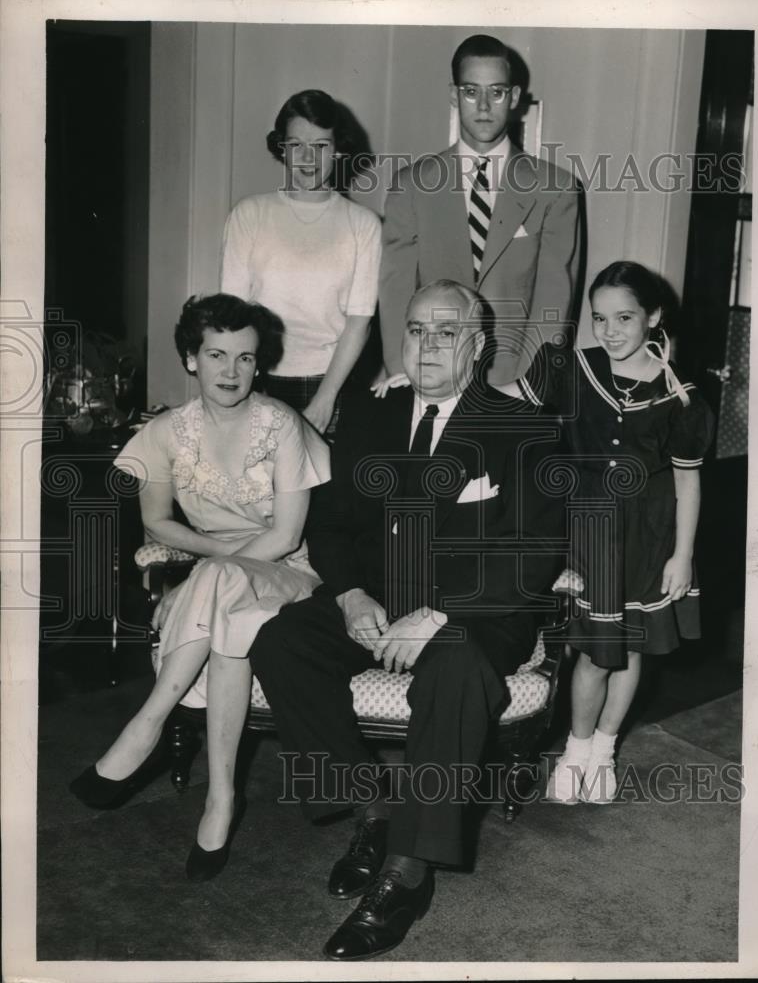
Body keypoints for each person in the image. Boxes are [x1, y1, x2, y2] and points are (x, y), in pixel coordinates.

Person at [249, 279, 564, 960]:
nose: (427, 346)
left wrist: (439, 613)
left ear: (476, 347)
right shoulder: (369, 419)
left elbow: (534, 554)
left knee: (456, 667)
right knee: (280, 640)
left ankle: (407, 871)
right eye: (417, 330)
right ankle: (373, 808)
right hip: (379, 602)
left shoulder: (523, 429)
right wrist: (352, 594)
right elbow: (332, 526)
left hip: (474, 613)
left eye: (446, 332)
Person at [69, 294, 330, 880]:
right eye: (216, 355)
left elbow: (287, 534)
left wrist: (214, 569)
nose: (231, 372)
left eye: (244, 358)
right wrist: (219, 561)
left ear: (259, 364)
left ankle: (147, 725)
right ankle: (221, 800)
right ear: (192, 359)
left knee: (222, 586)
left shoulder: (282, 426)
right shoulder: (165, 432)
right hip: (224, 584)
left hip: (289, 573)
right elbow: (157, 521)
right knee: (227, 604)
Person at [511, 261, 715, 804]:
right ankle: (575, 749)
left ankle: (603, 751)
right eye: (599, 318)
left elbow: (687, 484)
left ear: (653, 316)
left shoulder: (681, 396)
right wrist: (429, 381)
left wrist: (683, 555)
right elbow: (503, 402)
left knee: (631, 646)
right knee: (596, 650)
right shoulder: (570, 369)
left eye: (624, 317)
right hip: (587, 531)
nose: (610, 331)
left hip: (649, 535)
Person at [379, 33, 581, 387]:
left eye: (497, 92)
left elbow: (554, 299)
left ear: (515, 97)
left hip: (512, 379)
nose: (484, 105)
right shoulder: (411, 186)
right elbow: (395, 293)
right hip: (428, 376)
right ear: (453, 95)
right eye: (471, 91)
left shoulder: (556, 189)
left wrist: (530, 385)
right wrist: (402, 371)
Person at [220, 89, 381, 436]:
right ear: (282, 148)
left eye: (321, 146)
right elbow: (232, 314)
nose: (308, 158)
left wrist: (325, 399)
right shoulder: (249, 214)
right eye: (296, 145)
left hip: (331, 384)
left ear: (338, 150)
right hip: (259, 379)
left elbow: (360, 322)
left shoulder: (363, 224)